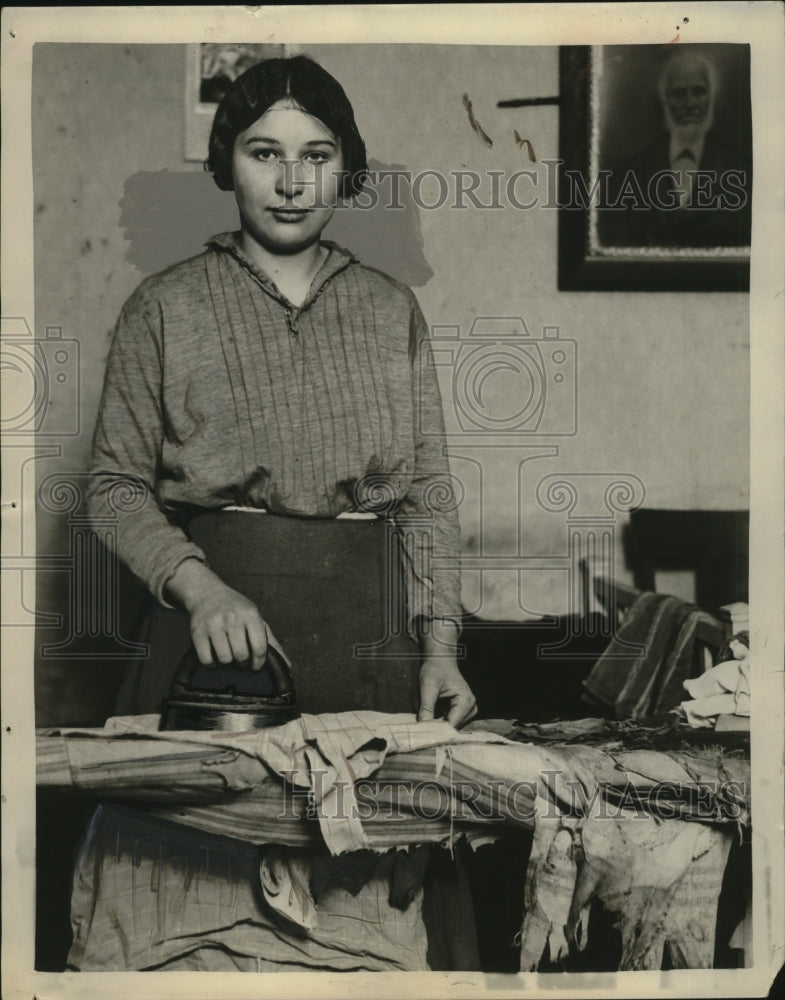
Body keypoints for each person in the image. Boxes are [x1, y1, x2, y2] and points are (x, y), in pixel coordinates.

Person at [67, 54, 478, 972]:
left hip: (365, 653)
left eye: (317, 155)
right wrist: (198, 588)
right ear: (227, 163)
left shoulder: (389, 310)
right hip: (208, 657)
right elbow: (112, 486)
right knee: (188, 935)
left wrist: (441, 645)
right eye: (264, 152)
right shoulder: (164, 305)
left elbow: (427, 496)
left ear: (347, 169)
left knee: (361, 940)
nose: (292, 182)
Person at [603, 48, 752, 248]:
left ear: (711, 98)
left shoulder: (744, 173)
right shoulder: (628, 174)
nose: (689, 103)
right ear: (664, 101)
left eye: (698, 92)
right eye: (678, 94)